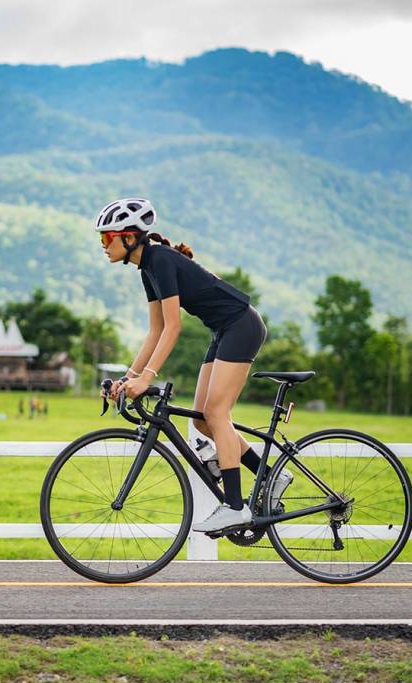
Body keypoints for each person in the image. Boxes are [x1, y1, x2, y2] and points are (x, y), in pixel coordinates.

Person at [95, 197, 291, 532]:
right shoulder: (147, 269)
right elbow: (155, 330)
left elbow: (173, 327)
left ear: (128, 237)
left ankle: (235, 507)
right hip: (223, 330)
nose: (102, 246)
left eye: (106, 239)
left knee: (217, 414)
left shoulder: (160, 260)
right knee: (202, 420)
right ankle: (271, 475)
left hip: (241, 325)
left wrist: (147, 378)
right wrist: (127, 378)